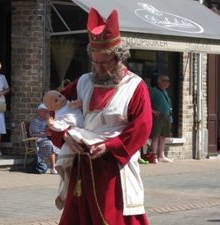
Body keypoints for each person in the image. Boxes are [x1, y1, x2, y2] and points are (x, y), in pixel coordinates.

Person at [52, 8, 152, 225]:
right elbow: (55, 108)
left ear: (119, 58)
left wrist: (110, 146)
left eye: (105, 63)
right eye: (95, 63)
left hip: (113, 167)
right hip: (82, 165)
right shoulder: (83, 82)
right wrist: (65, 135)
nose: (100, 69)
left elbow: (141, 126)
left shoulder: (135, 86)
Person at [29, 103, 61, 174]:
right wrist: (45, 134)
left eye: (47, 111)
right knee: (49, 144)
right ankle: (53, 168)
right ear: (38, 111)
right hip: (37, 142)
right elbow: (32, 134)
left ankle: (61, 167)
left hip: (47, 139)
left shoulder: (48, 120)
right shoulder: (35, 121)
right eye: (43, 111)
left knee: (59, 142)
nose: (45, 113)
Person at [149, 74, 173, 163]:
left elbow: (169, 102)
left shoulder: (165, 91)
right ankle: (154, 155)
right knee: (156, 136)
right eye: (168, 81)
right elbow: (147, 101)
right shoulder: (154, 91)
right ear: (162, 82)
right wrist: (153, 111)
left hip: (166, 116)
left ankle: (162, 155)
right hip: (158, 116)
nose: (169, 83)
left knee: (163, 137)